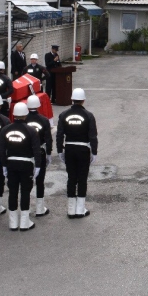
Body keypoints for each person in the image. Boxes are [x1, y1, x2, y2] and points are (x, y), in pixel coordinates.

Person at [0, 103, 41, 231]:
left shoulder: (5, 129)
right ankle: (24, 222)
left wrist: (4, 164)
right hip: (26, 163)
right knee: (25, 192)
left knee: (12, 192)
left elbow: (1, 149)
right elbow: (36, 150)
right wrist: (38, 165)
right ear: (25, 114)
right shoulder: (31, 130)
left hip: (11, 163)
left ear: (14, 114)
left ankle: (13, 222)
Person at [56, 88, 98, 219]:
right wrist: (94, 151)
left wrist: (59, 150)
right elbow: (92, 135)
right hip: (83, 149)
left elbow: (59, 134)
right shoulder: (89, 115)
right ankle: (80, 209)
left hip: (69, 149)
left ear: (72, 99)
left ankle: (70, 209)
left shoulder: (63, 115)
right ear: (83, 100)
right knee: (82, 178)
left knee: (71, 177)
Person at [25, 95, 53, 217]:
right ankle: (40, 208)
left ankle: (25, 207)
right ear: (38, 105)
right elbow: (48, 138)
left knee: (26, 182)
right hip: (40, 153)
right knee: (40, 181)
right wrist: (49, 153)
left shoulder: (23, 119)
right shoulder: (43, 120)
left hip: (25, 153)